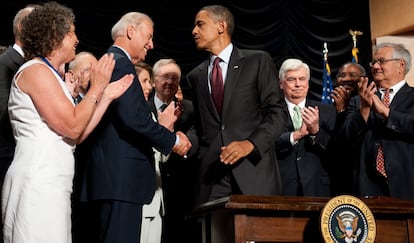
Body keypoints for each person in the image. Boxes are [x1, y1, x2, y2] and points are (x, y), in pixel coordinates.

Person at [1, 2, 134, 243]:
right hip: (36, 182)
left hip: (53, 182)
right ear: (55, 35)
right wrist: (97, 87)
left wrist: (105, 97)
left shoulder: (51, 74)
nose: (77, 39)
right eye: (72, 32)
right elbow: (72, 125)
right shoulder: (35, 70)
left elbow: (75, 136)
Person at [79, 11, 192, 243]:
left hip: (112, 180)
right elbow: (134, 120)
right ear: (131, 31)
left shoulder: (112, 61)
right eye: (148, 37)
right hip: (119, 181)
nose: (151, 44)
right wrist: (174, 141)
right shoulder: (120, 64)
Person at [187, 5, 287, 205]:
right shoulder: (195, 76)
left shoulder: (257, 61)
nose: (194, 31)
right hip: (211, 178)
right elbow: (200, 126)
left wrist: (250, 143)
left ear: (221, 26)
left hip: (254, 173)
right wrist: (184, 140)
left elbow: (278, 113)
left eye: (200, 24)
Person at [343, 42, 414, 200]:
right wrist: (364, 109)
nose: (375, 66)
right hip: (367, 187)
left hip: (407, 185)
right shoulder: (358, 101)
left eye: (381, 61)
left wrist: (385, 111)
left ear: (400, 65)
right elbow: (346, 137)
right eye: (373, 62)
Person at [149, 58, 198, 243]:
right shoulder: (143, 108)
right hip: (152, 187)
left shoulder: (190, 109)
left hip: (182, 189)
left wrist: (185, 141)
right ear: (154, 80)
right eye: (165, 77)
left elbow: (198, 137)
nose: (170, 82)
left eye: (174, 78)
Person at [275, 58, 336, 197]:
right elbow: (267, 144)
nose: (298, 84)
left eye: (302, 79)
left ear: (308, 83)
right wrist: (295, 135)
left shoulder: (326, 111)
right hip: (282, 187)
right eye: (291, 79)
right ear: (281, 84)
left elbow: (335, 149)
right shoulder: (271, 111)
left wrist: (315, 131)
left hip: (317, 188)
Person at [0, 3, 38, 207]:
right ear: (24, 28)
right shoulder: (4, 65)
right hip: (8, 160)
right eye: (41, 24)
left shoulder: (34, 66)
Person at [135, 61, 176, 243]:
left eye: (149, 81)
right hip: (139, 201)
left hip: (156, 203)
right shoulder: (131, 113)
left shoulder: (149, 115)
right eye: (144, 81)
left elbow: (161, 157)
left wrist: (166, 131)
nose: (149, 86)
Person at [329, 62, 366, 195]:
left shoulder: (367, 105)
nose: (346, 79)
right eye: (342, 75)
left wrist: (343, 111)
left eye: (353, 75)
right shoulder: (326, 109)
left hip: (360, 176)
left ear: (363, 79)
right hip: (335, 177)